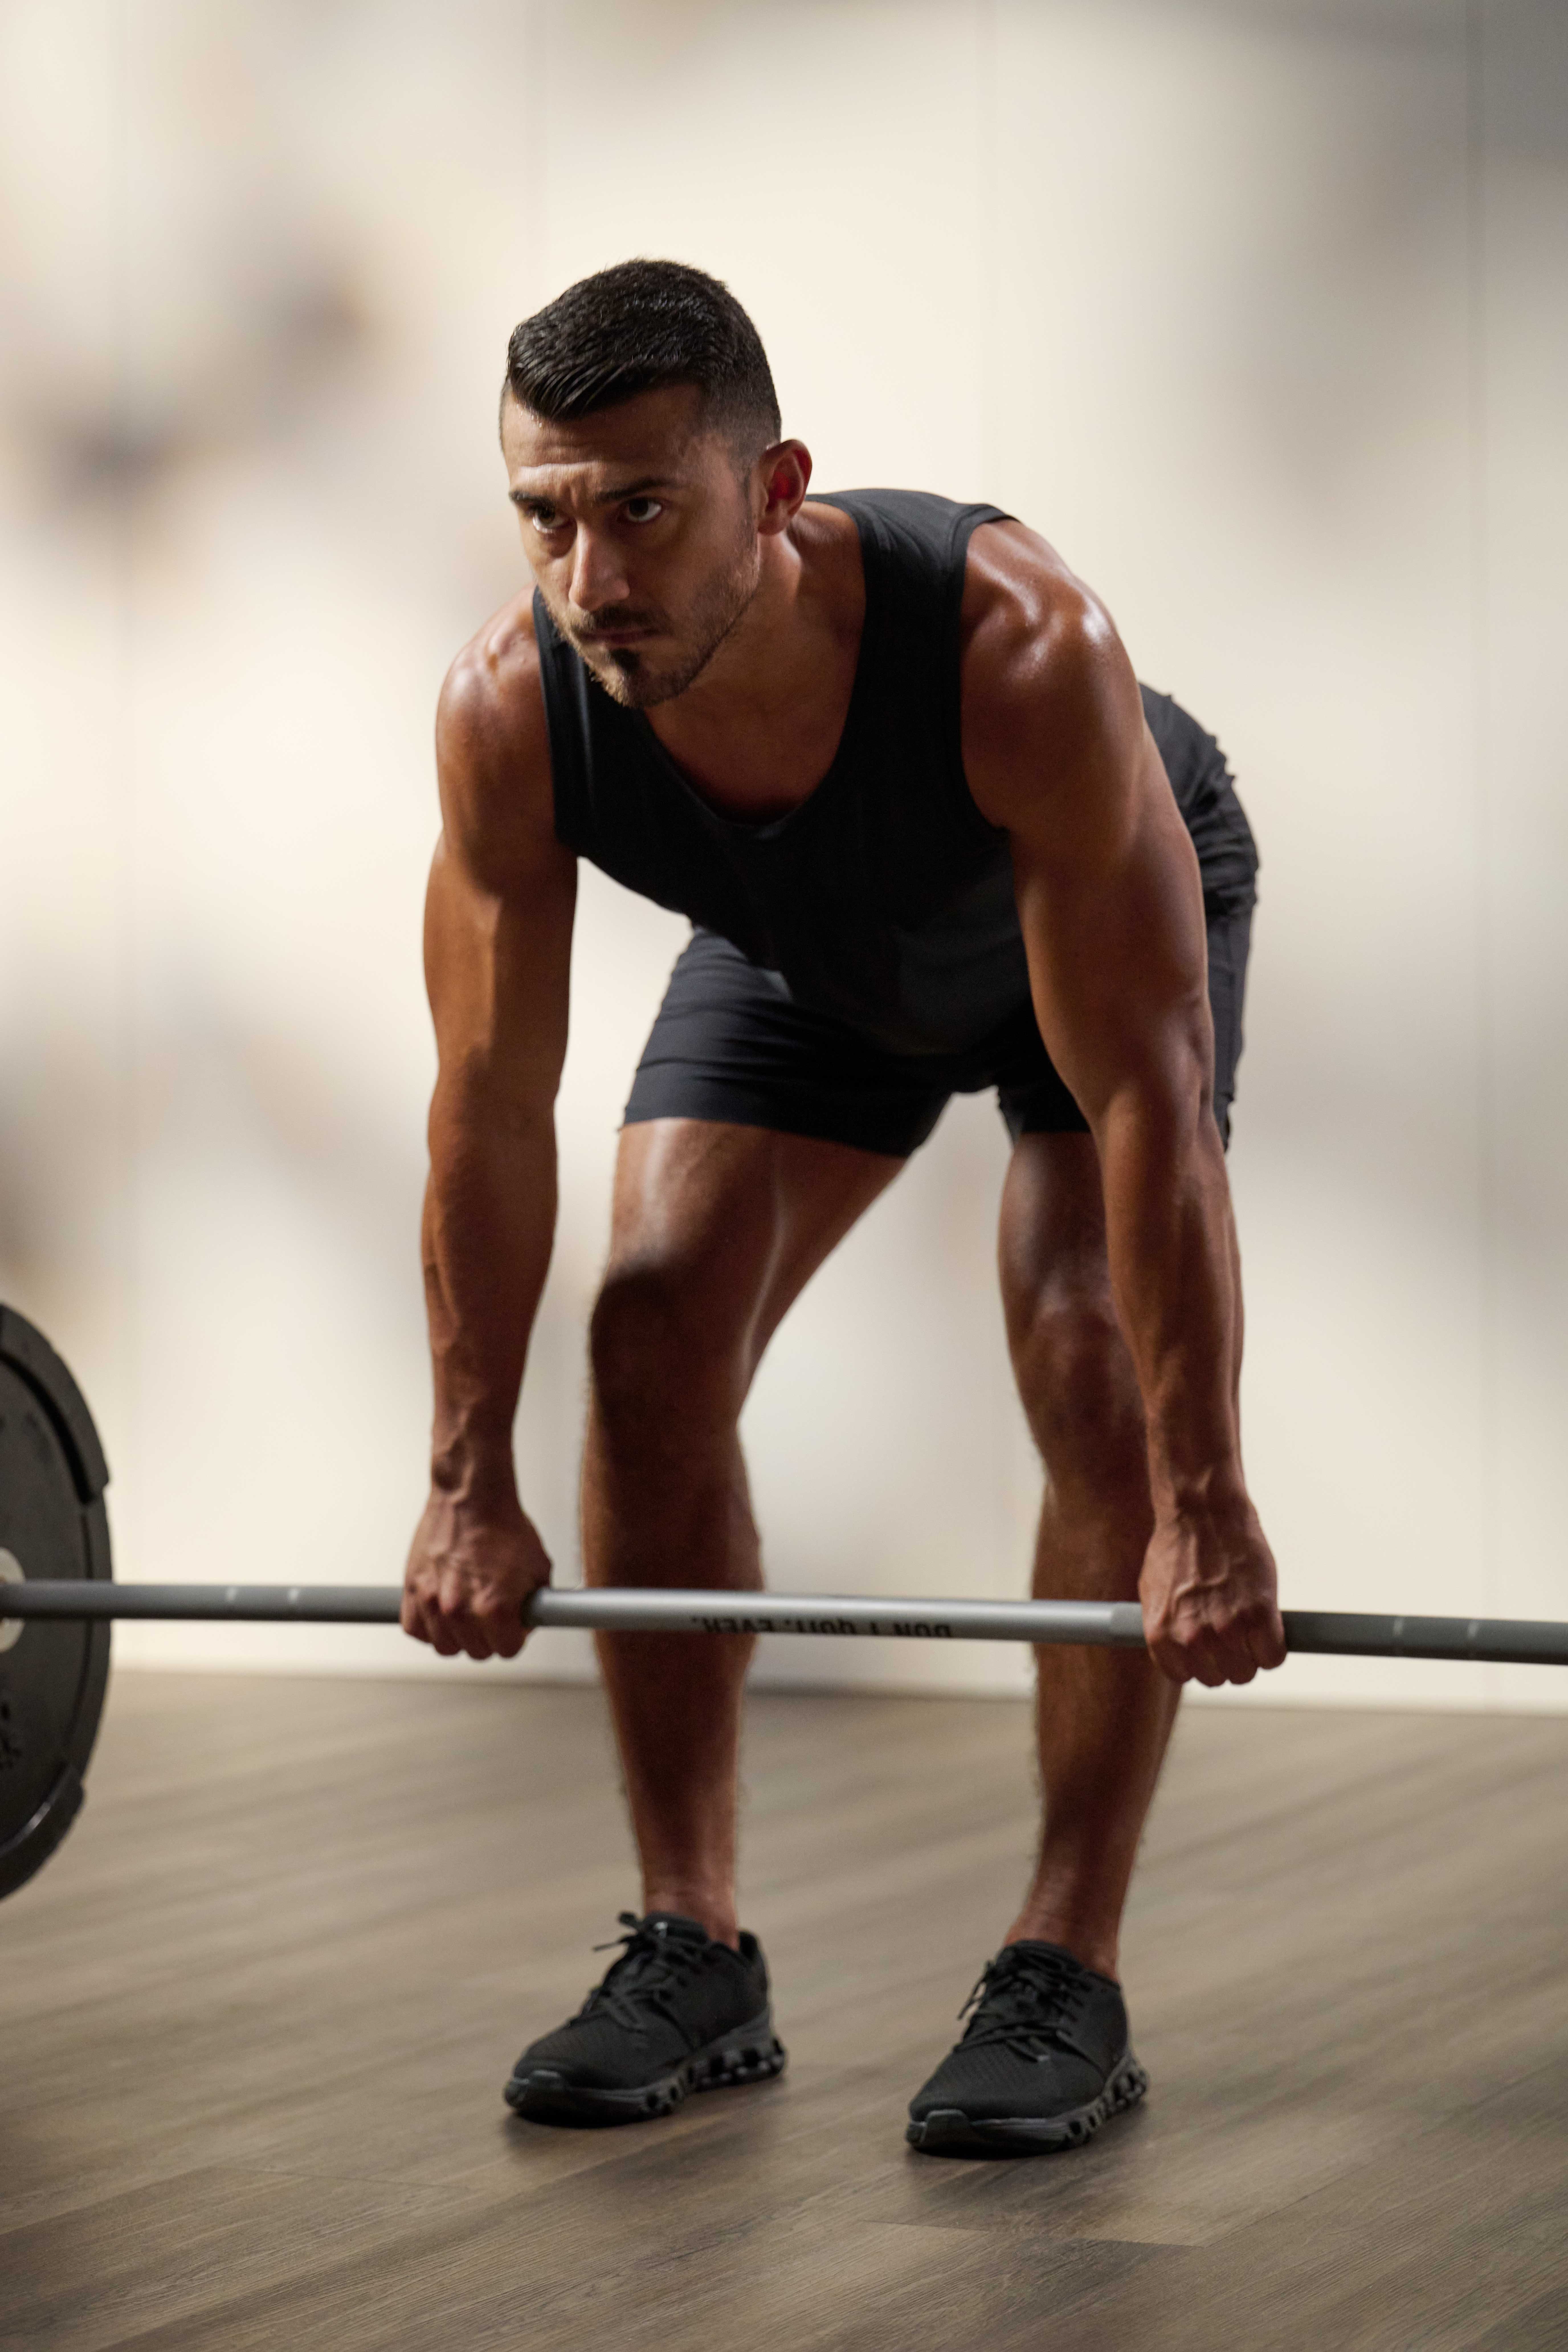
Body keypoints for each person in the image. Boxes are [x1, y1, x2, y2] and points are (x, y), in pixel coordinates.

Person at [401, 258, 1283, 2158]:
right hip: (816, 957)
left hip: (1080, 931)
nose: (592, 577)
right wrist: (469, 1470)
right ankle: (694, 1941)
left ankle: (1069, 1963)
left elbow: (1145, 1098)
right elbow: (487, 1106)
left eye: (644, 509)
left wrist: (1205, 1503)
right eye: (547, 516)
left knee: (1089, 1359)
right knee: (650, 1326)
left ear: (775, 489)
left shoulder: (1018, 650)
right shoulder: (514, 708)